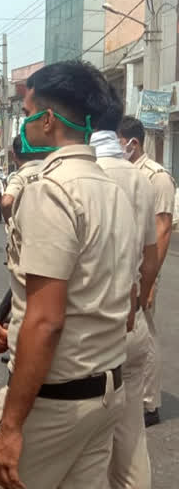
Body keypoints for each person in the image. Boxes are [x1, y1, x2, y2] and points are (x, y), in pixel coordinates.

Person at [0, 60, 138, 489]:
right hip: (104, 396)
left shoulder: (50, 190)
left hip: (53, 403)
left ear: (46, 120)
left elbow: (48, 320)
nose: (23, 127)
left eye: (25, 116)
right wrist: (16, 330)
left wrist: (10, 427)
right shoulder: (112, 191)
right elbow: (120, 303)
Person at [90, 85, 159, 488]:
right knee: (131, 440)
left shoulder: (75, 174)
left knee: (87, 446)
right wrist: (139, 296)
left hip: (92, 330)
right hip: (131, 322)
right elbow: (150, 257)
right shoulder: (139, 178)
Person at [118, 115, 176, 427]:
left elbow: (163, 228)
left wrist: (151, 280)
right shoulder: (128, 173)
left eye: (117, 141)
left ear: (132, 143)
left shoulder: (157, 177)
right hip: (129, 265)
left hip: (145, 267)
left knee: (146, 334)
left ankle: (149, 403)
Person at [0, 136, 45, 222]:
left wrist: (12, 225)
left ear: (14, 155)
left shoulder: (21, 177)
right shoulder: (52, 169)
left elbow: (6, 203)